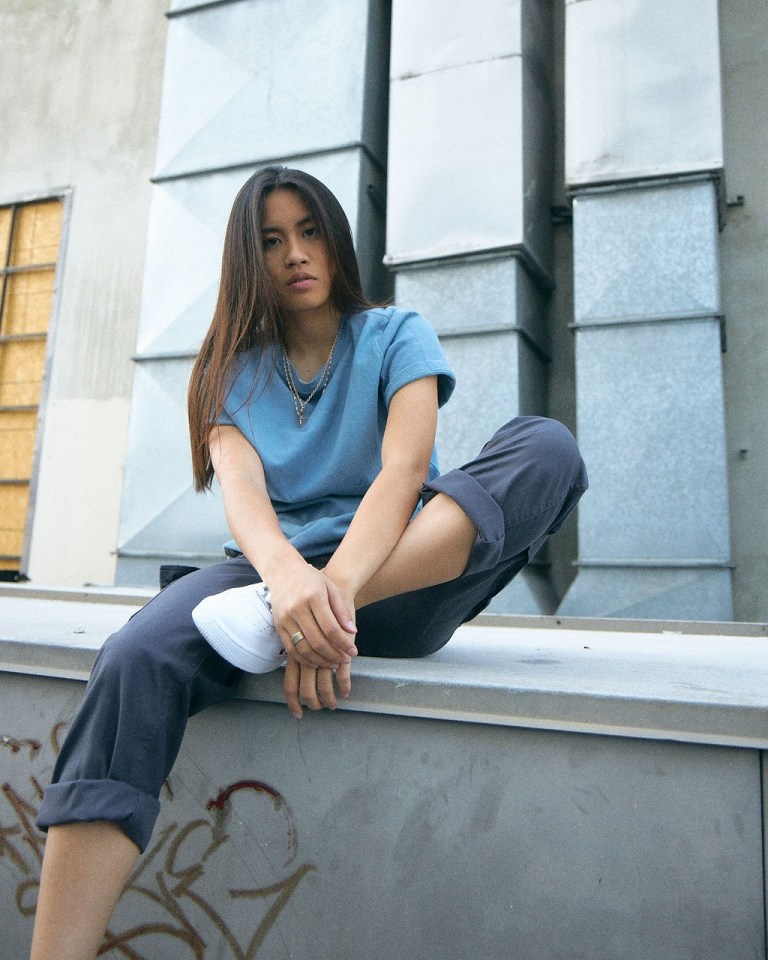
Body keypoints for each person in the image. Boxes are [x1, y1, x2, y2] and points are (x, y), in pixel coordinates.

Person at [29, 166, 588, 960]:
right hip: (269, 574)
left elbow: (403, 471)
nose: (294, 253)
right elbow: (247, 503)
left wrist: (328, 594)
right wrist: (286, 580)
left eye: (309, 230)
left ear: (334, 237)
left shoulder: (397, 334)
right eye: (270, 241)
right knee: (131, 658)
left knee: (545, 446)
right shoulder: (230, 371)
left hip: (400, 564)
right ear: (246, 260)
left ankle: (279, 621)